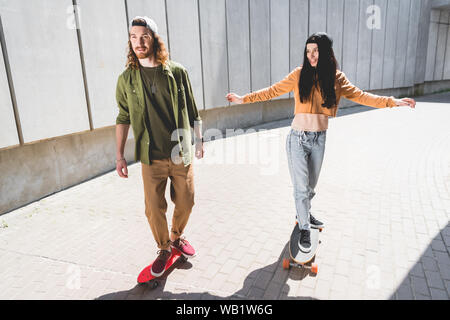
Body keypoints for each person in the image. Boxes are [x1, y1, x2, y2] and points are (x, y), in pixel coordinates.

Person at [226, 32, 415, 253]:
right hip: (298, 138)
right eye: (308, 51)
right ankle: (304, 227)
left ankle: (303, 213)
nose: (311, 55)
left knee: (310, 187)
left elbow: (362, 96)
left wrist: (394, 102)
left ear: (324, 52)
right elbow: (272, 91)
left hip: (319, 139)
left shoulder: (337, 79)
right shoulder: (299, 75)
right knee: (300, 189)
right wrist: (243, 99)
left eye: (315, 51)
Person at [115, 16, 204, 277]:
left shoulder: (176, 72)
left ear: (154, 39)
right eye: (133, 37)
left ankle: (177, 237)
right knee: (153, 208)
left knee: (186, 201)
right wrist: (119, 155)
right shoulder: (126, 79)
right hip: (150, 156)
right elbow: (123, 117)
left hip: (179, 152)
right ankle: (164, 248)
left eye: (144, 36)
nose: (138, 42)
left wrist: (199, 140)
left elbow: (192, 109)